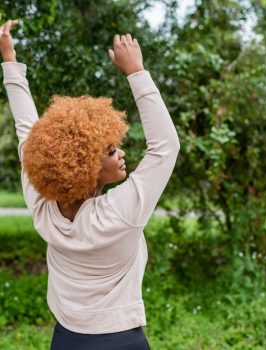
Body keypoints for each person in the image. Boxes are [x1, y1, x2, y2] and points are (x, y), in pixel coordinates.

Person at [0, 18, 180, 349]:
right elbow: (166, 147)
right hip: (122, 341)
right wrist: (136, 72)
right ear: (85, 168)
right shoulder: (120, 212)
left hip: (65, 339)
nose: (121, 152)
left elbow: (27, 130)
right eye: (111, 150)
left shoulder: (42, 207)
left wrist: (9, 63)